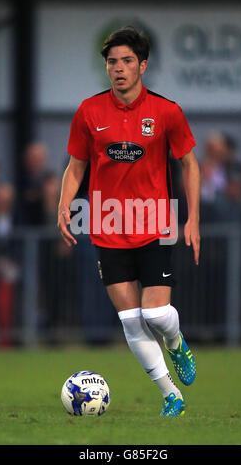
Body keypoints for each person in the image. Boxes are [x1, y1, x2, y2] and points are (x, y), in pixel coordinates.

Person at [57, 26, 200, 417]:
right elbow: (76, 166)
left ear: (143, 66)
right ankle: (172, 396)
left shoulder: (166, 111)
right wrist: (64, 204)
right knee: (131, 321)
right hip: (107, 226)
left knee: (155, 315)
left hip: (155, 223)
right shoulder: (89, 111)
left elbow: (189, 163)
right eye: (111, 62)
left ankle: (176, 344)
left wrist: (193, 220)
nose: (118, 69)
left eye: (126, 61)